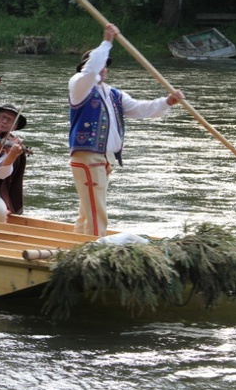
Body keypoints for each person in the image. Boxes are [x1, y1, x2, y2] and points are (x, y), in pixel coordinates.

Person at [69, 23, 184, 237]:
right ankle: (95, 250)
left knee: (88, 209)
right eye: (100, 64)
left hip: (106, 158)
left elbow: (141, 109)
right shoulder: (79, 86)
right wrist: (106, 42)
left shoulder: (114, 94)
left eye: (106, 65)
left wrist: (167, 101)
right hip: (87, 157)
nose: (103, 68)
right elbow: (91, 70)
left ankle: (79, 245)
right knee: (97, 211)